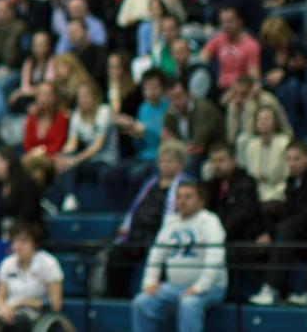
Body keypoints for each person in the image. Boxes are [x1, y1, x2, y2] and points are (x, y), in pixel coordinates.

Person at [131, 181, 227, 332]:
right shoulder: (171, 222)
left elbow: (215, 256)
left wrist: (200, 286)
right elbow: (156, 254)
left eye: (188, 197)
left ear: (201, 201)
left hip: (210, 287)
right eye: (179, 197)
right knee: (142, 302)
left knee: (189, 303)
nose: (182, 201)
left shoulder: (209, 221)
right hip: (174, 286)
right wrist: (149, 281)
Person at [107, 141, 188, 298]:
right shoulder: (150, 183)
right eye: (162, 161)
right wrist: (127, 224)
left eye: (170, 161)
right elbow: (136, 206)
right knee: (116, 255)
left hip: (163, 235)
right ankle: (115, 299)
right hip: (138, 234)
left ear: (181, 164)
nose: (165, 165)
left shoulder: (185, 184)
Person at [249, 140, 307, 306]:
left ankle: (271, 287)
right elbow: (288, 212)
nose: (292, 163)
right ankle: (280, 290)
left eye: (297, 159)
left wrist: (277, 232)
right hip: (293, 232)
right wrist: (269, 234)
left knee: (285, 229)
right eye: (289, 159)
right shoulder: (291, 181)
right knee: (258, 240)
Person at [57, 81, 119, 212]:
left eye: (86, 96)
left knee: (72, 163)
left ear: (95, 97)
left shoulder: (104, 112)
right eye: (80, 97)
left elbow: (97, 145)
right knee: (65, 163)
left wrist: (74, 160)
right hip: (89, 161)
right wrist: (60, 157)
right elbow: (72, 144)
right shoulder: (77, 115)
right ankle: (69, 197)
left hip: (106, 160)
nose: (82, 100)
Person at [0, 222, 63, 331]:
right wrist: (2, 308)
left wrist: (20, 303)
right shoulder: (7, 263)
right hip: (8, 312)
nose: (17, 246)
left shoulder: (48, 263)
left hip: (35, 315)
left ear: (35, 243)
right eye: (14, 241)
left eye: (23, 241)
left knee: (17, 323)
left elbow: (55, 304)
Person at [161, 78, 225, 177]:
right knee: (161, 164)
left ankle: (190, 191)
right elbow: (166, 140)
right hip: (186, 153)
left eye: (178, 97)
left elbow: (197, 146)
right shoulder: (170, 112)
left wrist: (176, 146)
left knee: (188, 164)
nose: (175, 103)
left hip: (212, 151)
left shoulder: (203, 109)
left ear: (189, 94)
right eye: (171, 99)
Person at [200, 7, 261, 90]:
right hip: (220, 88)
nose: (226, 26)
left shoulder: (251, 45)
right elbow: (202, 57)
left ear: (240, 21)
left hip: (240, 89)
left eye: (230, 22)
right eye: (223, 23)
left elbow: (254, 75)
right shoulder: (219, 39)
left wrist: (247, 85)